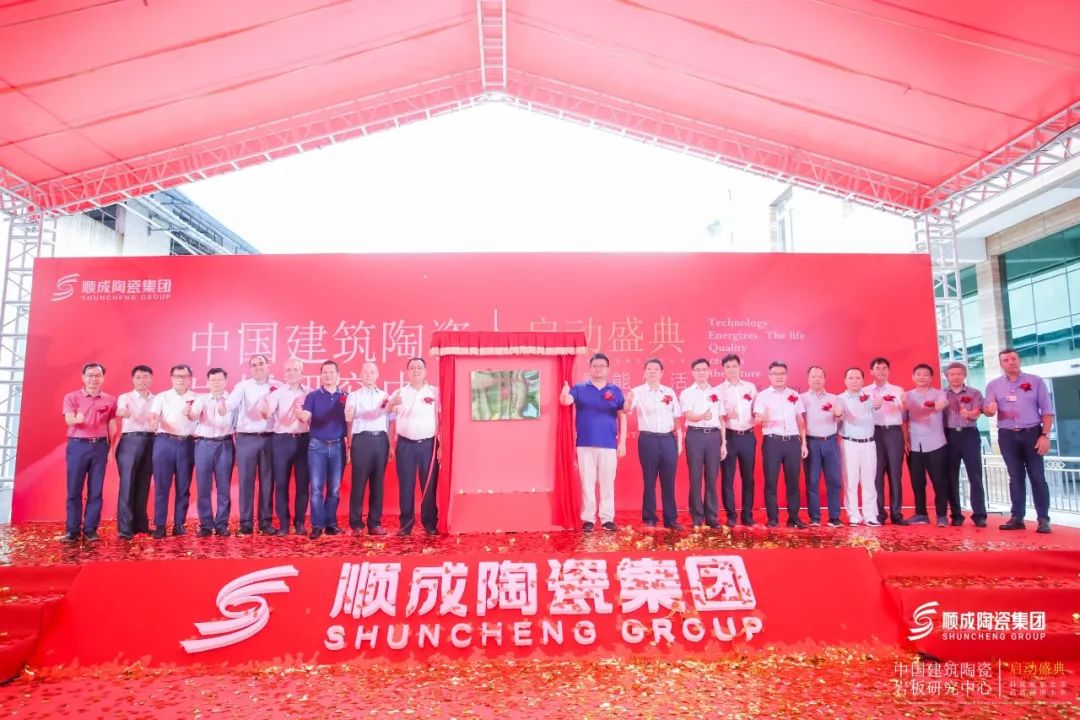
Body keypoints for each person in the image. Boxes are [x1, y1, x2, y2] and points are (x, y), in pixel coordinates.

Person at [984, 348, 1055, 533]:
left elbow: (1047, 411)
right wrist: (990, 410)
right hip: (1007, 435)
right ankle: (1017, 517)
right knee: (1015, 477)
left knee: (1037, 476)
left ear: (1019, 360)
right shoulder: (993, 385)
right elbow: (988, 410)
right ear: (1001, 364)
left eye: (1013, 359)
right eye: (1006, 360)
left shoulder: (1035, 381)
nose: (1010, 362)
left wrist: (1045, 435)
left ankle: (1043, 519)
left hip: (1032, 433)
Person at [560, 352, 626, 532]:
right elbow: (566, 402)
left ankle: (607, 519)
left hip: (609, 444)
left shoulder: (615, 390)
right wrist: (565, 392)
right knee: (587, 483)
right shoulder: (580, 388)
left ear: (608, 369)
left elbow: (622, 416)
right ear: (590, 368)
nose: (598, 369)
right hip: (585, 444)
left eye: (601, 366)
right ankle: (588, 519)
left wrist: (622, 442)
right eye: (595, 366)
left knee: (607, 483)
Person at [60, 362, 118, 542]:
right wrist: (76, 419)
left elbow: (112, 424)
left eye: (97, 375)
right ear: (83, 377)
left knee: (96, 491)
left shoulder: (110, 400)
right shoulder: (72, 397)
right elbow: (68, 419)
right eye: (90, 375)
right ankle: (72, 530)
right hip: (77, 445)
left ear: (103, 378)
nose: (94, 379)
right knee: (74, 490)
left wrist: (111, 449)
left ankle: (91, 529)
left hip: (100, 446)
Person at [625, 358, 684, 530]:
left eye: (656, 369)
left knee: (668, 481)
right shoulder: (637, 392)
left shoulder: (669, 392)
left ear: (661, 372)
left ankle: (670, 519)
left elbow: (676, 417)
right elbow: (628, 410)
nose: (652, 371)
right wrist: (628, 400)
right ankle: (650, 517)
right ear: (644, 372)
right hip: (648, 440)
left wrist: (679, 441)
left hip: (668, 440)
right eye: (649, 369)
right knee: (649, 480)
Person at [226, 354, 279, 535]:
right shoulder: (242, 386)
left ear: (268, 365)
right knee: (246, 481)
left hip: (270, 438)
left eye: (261, 363)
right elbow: (231, 404)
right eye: (254, 365)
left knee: (267, 482)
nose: (258, 367)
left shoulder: (278, 386)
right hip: (246, 439)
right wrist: (224, 407)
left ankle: (265, 522)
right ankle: (246, 523)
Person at [387, 357, 440, 536]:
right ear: (407, 372)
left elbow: (441, 418)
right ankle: (406, 525)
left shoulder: (434, 392)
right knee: (406, 486)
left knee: (429, 485)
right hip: (405, 445)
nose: (416, 370)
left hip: (428, 445)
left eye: (419, 367)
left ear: (425, 371)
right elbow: (387, 412)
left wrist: (441, 445)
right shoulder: (400, 392)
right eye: (412, 368)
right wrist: (392, 403)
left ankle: (430, 523)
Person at [753, 361, 808, 528]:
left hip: (792, 441)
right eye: (775, 374)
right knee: (771, 481)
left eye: (782, 373)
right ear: (769, 376)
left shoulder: (794, 395)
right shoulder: (762, 396)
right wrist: (763, 418)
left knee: (793, 481)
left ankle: (794, 518)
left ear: (786, 375)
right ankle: (773, 518)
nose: (779, 377)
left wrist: (804, 442)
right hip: (773, 442)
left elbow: (800, 419)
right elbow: (756, 419)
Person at [296, 360, 348, 538]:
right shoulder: (313, 396)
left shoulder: (346, 396)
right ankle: (317, 525)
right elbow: (306, 415)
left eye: (331, 372)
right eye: (325, 372)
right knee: (317, 488)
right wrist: (302, 415)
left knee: (334, 489)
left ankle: (330, 523)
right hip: (317, 446)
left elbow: (351, 420)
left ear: (338, 375)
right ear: (321, 375)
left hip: (338, 445)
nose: (328, 375)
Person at [148, 364, 197, 538]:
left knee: (183, 486)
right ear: (172, 378)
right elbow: (153, 414)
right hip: (165, 443)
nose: (181, 379)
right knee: (162, 486)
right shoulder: (162, 397)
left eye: (184, 376)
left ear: (190, 378)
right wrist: (153, 421)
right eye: (177, 376)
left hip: (187, 443)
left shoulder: (197, 398)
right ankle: (160, 525)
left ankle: (179, 524)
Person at [263, 358, 310, 536]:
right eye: (288, 370)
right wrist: (265, 411)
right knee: (281, 484)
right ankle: (283, 524)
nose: (292, 373)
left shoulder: (310, 393)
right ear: (284, 373)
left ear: (301, 372)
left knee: (303, 485)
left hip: (304, 441)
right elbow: (268, 411)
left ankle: (299, 523)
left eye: (295, 370)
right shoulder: (277, 394)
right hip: (282, 441)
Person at [345, 361, 392, 536]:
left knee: (377, 484)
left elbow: (390, 421)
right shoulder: (354, 396)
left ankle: (374, 524)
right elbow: (349, 419)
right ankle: (356, 525)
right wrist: (349, 445)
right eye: (365, 371)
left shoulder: (385, 396)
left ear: (377, 374)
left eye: (372, 372)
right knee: (358, 483)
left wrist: (390, 445)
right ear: (360, 374)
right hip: (361, 441)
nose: (368, 375)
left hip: (381, 440)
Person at [679, 358, 727, 528]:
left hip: (714, 437)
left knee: (712, 478)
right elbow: (689, 415)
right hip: (695, 436)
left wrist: (723, 443)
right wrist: (701, 416)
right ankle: (697, 517)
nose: (701, 372)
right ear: (692, 372)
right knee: (695, 477)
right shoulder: (686, 393)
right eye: (698, 369)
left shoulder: (717, 393)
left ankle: (712, 517)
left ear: (709, 371)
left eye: (704, 369)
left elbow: (721, 419)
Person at [903, 363, 953, 527]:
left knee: (939, 481)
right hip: (915, 445)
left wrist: (935, 405)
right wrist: (905, 440)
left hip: (936, 444)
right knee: (917, 482)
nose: (922, 377)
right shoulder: (907, 395)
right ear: (913, 377)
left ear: (931, 377)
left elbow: (942, 404)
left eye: (925, 374)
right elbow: (904, 419)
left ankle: (941, 515)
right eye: (918, 374)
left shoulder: (939, 393)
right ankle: (921, 514)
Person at [190, 368, 237, 537]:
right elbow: (193, 415)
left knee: (223, 487)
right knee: (203, 486)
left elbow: (238, 423)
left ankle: (222, 524)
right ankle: (206, 525)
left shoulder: (233, 401)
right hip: (204, 444)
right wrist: (191, 414)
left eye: (219, 380)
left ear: (226, 381)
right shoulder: (201, 400)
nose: (216, 383)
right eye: (212, 380)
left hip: (225, 444)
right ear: (208, 382)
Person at [943, 361, 987, 527]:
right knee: (951, 477)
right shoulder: (941, 394)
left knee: (975, 476)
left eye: (959, 374)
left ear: (964, 375)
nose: (956, 377)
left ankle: (979, 515)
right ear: (947, 376)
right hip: (948, 435)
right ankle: (956, 515)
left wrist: (970, 414)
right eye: (952, 374)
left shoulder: (974, 393)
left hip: (969, 435)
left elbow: (977, 413)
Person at [867, 357, 910, 524]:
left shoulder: (897, 390)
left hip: (893, 432)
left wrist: (903, 403)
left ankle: (896, 514)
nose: (881, 371)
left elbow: (904, 409)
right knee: (876, 474)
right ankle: (879, 514)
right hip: (873, 433)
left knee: (895, 474)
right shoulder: (865, 391)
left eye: (884, 368)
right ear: (871, 371)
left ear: (888, 371)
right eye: (878, 368)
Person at [114, 364, 155, 539]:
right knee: (127, 485)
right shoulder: (126, 397)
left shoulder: (157, 399)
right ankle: (125, 529)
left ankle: (141, 526)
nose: (142, 380)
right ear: (133, 379)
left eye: (145, 377)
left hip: (151, 441)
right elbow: (120, 410)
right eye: (138, 377)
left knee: (144, 485)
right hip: (130, 441)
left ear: (151, 379)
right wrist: (123, 412)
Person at [717, 354, 757, 526]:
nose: (731, 370)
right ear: (723, 370)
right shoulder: (718, 390)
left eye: (734, 366)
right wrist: (725, 415)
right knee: (727, 478)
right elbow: (716, 416)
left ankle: (747, 515)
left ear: (740, 367)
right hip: (729, 437)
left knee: (748, 478)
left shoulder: (750, 387)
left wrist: (758, 417)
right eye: (727, 367)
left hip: (747, 436)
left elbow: (757, 409)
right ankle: (731, 515)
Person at [835, 367, 879, 526]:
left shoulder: (870, 396)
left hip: (869, 443)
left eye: (857, 378)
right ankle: (853, 514)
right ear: (845, 381)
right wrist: (838, 414)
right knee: (850, 480)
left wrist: (878, 404)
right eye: (851, 378)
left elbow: (877, 406)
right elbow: (838, 417)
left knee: (869, 480)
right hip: (849, 443)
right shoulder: (839, 399)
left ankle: (870, 515)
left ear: (863, 380)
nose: (854, 381)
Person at [801, 366, 843, 527]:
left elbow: (840, 418)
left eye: (820, 376)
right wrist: (803, 442)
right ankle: (815, 517)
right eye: (813, 376)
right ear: (808, 379)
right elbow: (799, 421)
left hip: (831, 442)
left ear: (825, 379)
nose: (817, 379)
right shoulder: (801, 398)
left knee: (834, 480)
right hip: (811, 442)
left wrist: (838, 414)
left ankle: (834, 517)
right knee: (812, 481)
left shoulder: (834, 398)